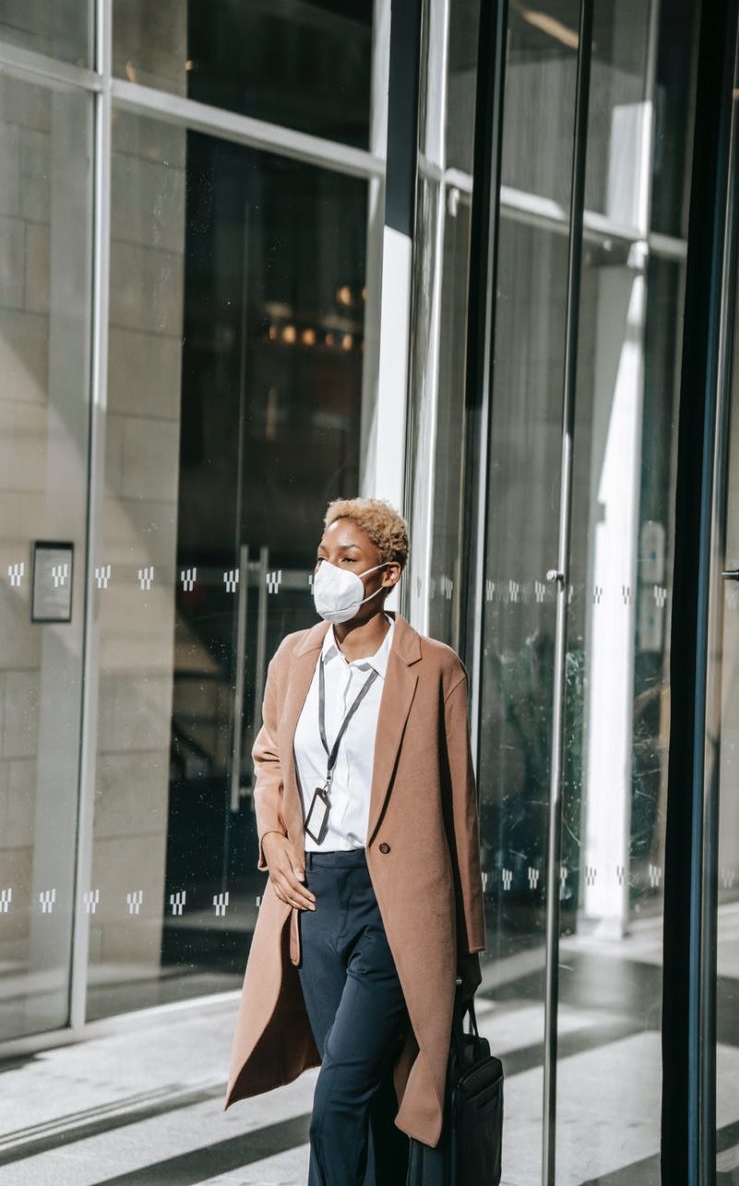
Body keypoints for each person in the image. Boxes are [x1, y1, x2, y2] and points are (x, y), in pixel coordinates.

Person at [223, 496, 486, 1186]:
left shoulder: (435, 670)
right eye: (322, 557)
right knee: (367, 1099)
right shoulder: (294, 656)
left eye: (348, 560)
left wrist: (469, 946)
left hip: (397, 910)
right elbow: (271, 757)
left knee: (337, 1099)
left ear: (388, 575)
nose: (328, 573)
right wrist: (272, 840)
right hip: (313, 898)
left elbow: (462, 813)